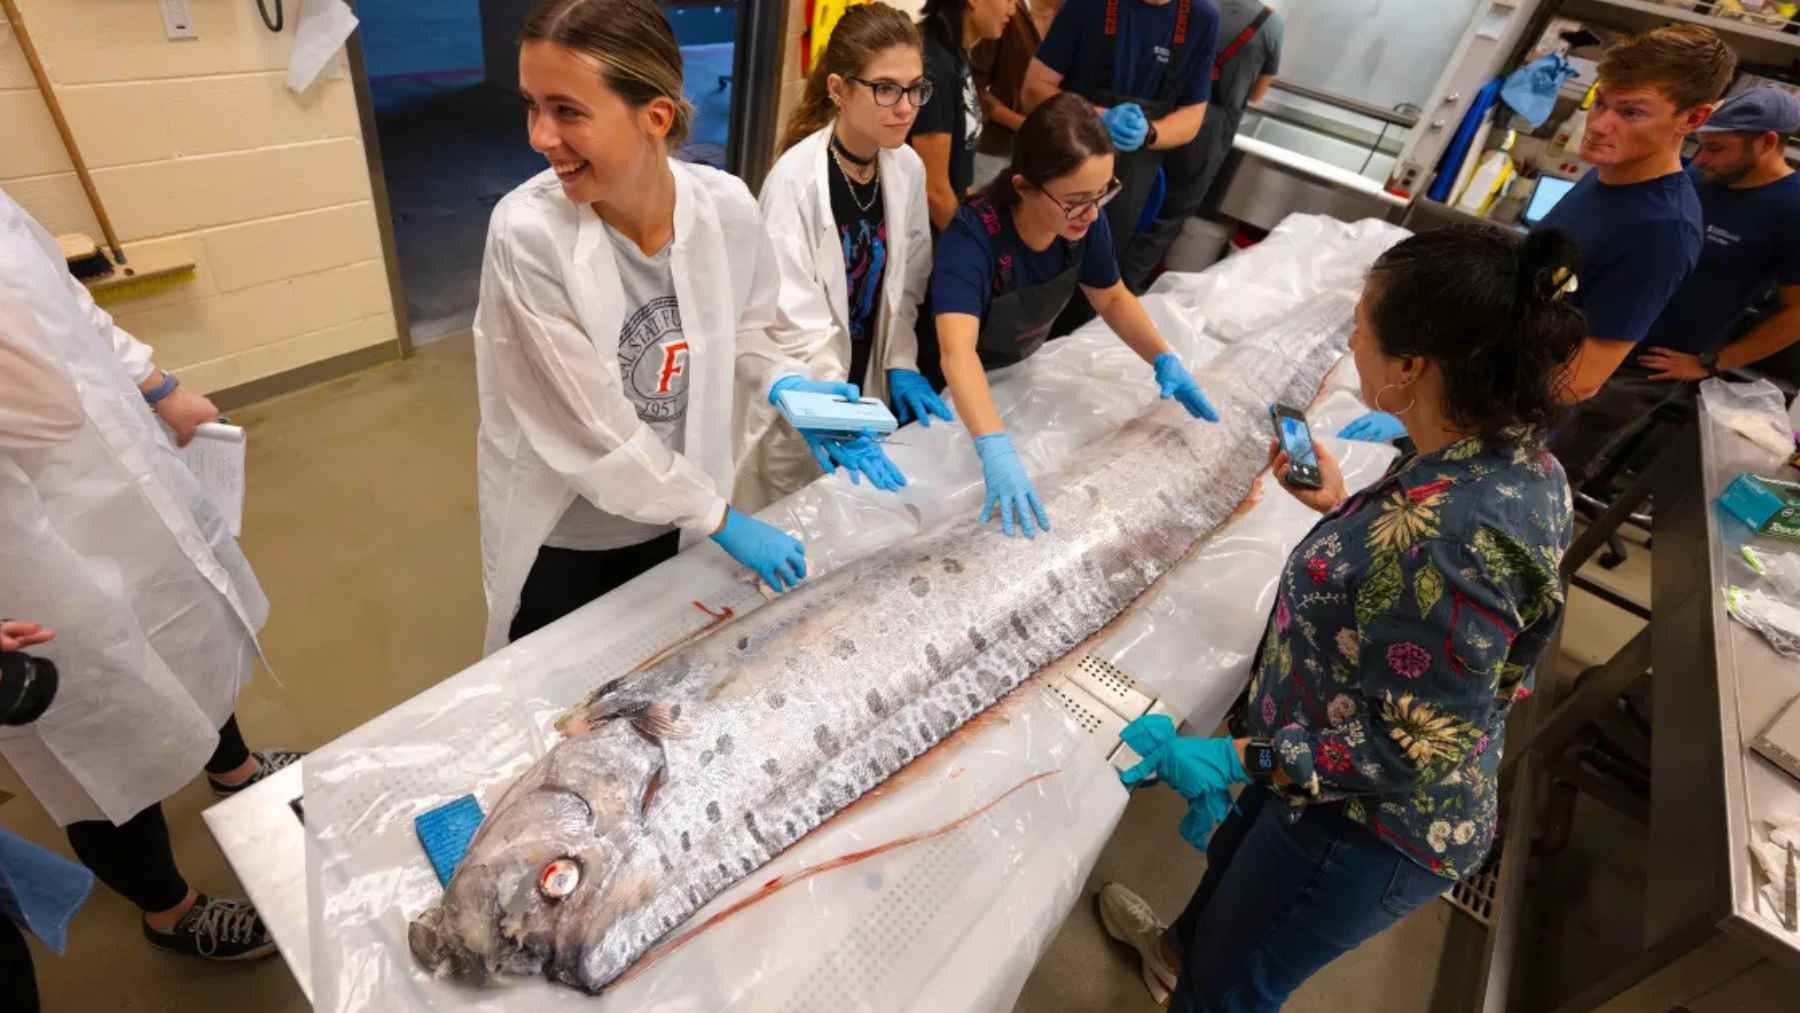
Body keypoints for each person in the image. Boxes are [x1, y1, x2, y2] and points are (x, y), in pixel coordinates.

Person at [1097, 225, 1581, 1009]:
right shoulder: (1517, 459)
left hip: (1365, 824)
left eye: (1362, 324)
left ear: (1411, 366)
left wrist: (1235, 758)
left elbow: (1405, 750)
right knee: (1223, 899)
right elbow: (1425, 601)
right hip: (1315, 755)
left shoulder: (1451, 538)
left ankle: (1195, 982)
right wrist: (1345, 507)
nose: (1353, 338)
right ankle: (1174, 952)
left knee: (1230, 984)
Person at [476, 0, 849, 651]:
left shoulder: (725, 207)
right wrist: (720, 517)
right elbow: (593, 431)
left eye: (567, 111)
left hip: (678, 512)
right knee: (559, 684)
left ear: (655, 116)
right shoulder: (529, 235)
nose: (539, 136)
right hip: (574, 528)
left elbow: (751, 331)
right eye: (532, 106)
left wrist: (791, 387)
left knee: (661, 665)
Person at [0, 192, 296, 962]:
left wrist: (160, 388)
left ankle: (232, 766)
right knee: (97, 725)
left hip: (120, 479)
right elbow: (41, 399)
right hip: (21, 554)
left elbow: (66, 302)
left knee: (189, 625)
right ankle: (168, 907)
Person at [932, 93, 1220, 539]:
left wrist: (1163, 358)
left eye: (1102, 194)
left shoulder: (1084, 220)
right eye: (1076, 201)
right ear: (1024, 186)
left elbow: (1112, 298)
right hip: (947, 395)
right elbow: (957, 354)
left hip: (1015, 375)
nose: (1091, 213)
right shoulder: (972, 239)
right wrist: (994, 446)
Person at [738, 2, 946, 511]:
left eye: (915, 88)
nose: (906, 107)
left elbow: (907, 281)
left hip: (864, 375)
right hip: (804, 387)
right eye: (886, 89)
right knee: (792, 513)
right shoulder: (795, 183)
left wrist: (899, 360)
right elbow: (793, 319)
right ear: (838, 89)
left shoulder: (907, 168)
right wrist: (834, 412)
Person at [1555, 87, 1800, 478]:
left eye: (1716, 148)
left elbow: (1797, 313)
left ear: (1767, 142)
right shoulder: (1692, 179)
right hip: (1582, 334)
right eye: (1698, 145)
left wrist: (1712, 363)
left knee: (1555, 462)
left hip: (1642, 367)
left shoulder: (1791, 210)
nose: (1700, 160)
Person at [1021, 0, 1221, 274]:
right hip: (1059, 172)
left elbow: (1192, 116)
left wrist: (1149, 131)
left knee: (1095, 272)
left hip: (1129, 184)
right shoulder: (1087, 5)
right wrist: (1097, 117)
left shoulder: (1202, 18)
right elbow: (1033, 89)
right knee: (1030, 266)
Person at [1122, 0, 1282, 291]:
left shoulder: (1193, 7)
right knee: (1168, 214)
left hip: (1160, 115)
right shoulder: (1270, 24)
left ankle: (1095, 283)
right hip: (1210, 130)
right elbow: (1257, 94)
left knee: (1129, 197)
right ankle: (1122, 291)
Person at [910, 0, 1017, 234]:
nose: (1013, 10)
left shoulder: (954, 52)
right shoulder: (934, 65)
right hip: (926, 235)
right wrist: (971, 245)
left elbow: (957, 172)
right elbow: (935, 191)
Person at [970, 0, 1064, 187]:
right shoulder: (1004, 12)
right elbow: (974, 87)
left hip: (1050, 156)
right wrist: (1021, 123)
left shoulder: (1073, 16)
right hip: (996, 152)